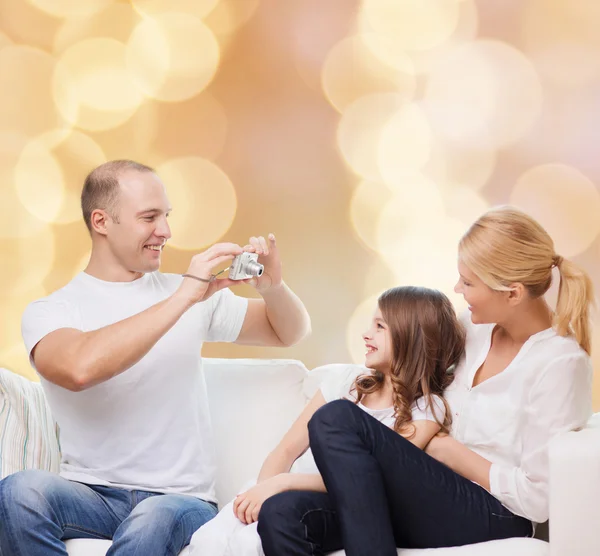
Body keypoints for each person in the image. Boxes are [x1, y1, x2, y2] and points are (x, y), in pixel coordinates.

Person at [0, 160, 311, 556]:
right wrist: (182, 297)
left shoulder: (191, 293)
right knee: (18, 492)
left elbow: (288, 332)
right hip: (91, 494)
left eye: (166, 216)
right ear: (102, 221)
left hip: (180, 501)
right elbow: (79, 369)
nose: (165, 231)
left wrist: (274, 287)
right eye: (150, 217)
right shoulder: (52, 310)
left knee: (151, 521)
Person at [257, 206, 595, 556]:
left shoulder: (560, 364)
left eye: (468, 282)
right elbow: (412, 357)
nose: (457, 289)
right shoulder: (472, 328)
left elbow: (537, 500)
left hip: (492, 511)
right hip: (424, 488)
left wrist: (451, 453)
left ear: (512, 293)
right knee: (281, 515)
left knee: (335, 418)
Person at [188, 285, 466, 556]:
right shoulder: (346, 383)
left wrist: (283, 484)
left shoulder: (427, 409)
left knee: (280, 516)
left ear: (411, 337)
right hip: (280, 489)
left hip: (331, 504)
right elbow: (285, 451)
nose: (366, 334)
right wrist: (263, 490)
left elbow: (367, 480)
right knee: (221, 539)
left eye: (380, 327)